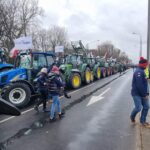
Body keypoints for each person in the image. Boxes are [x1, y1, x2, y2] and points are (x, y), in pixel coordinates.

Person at [130, 57, 150, 126]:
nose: (147, 65)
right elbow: (139, 85)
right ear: (144, 64)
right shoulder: (138, 71)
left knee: (147, 106)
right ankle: (132, 116)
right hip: (136, 93)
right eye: (147, 64)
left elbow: (147, 81)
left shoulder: (145, 70)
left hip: (144, 93)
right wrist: (144, 95)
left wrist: (147, 92)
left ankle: (143, 121)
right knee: (138, 108)